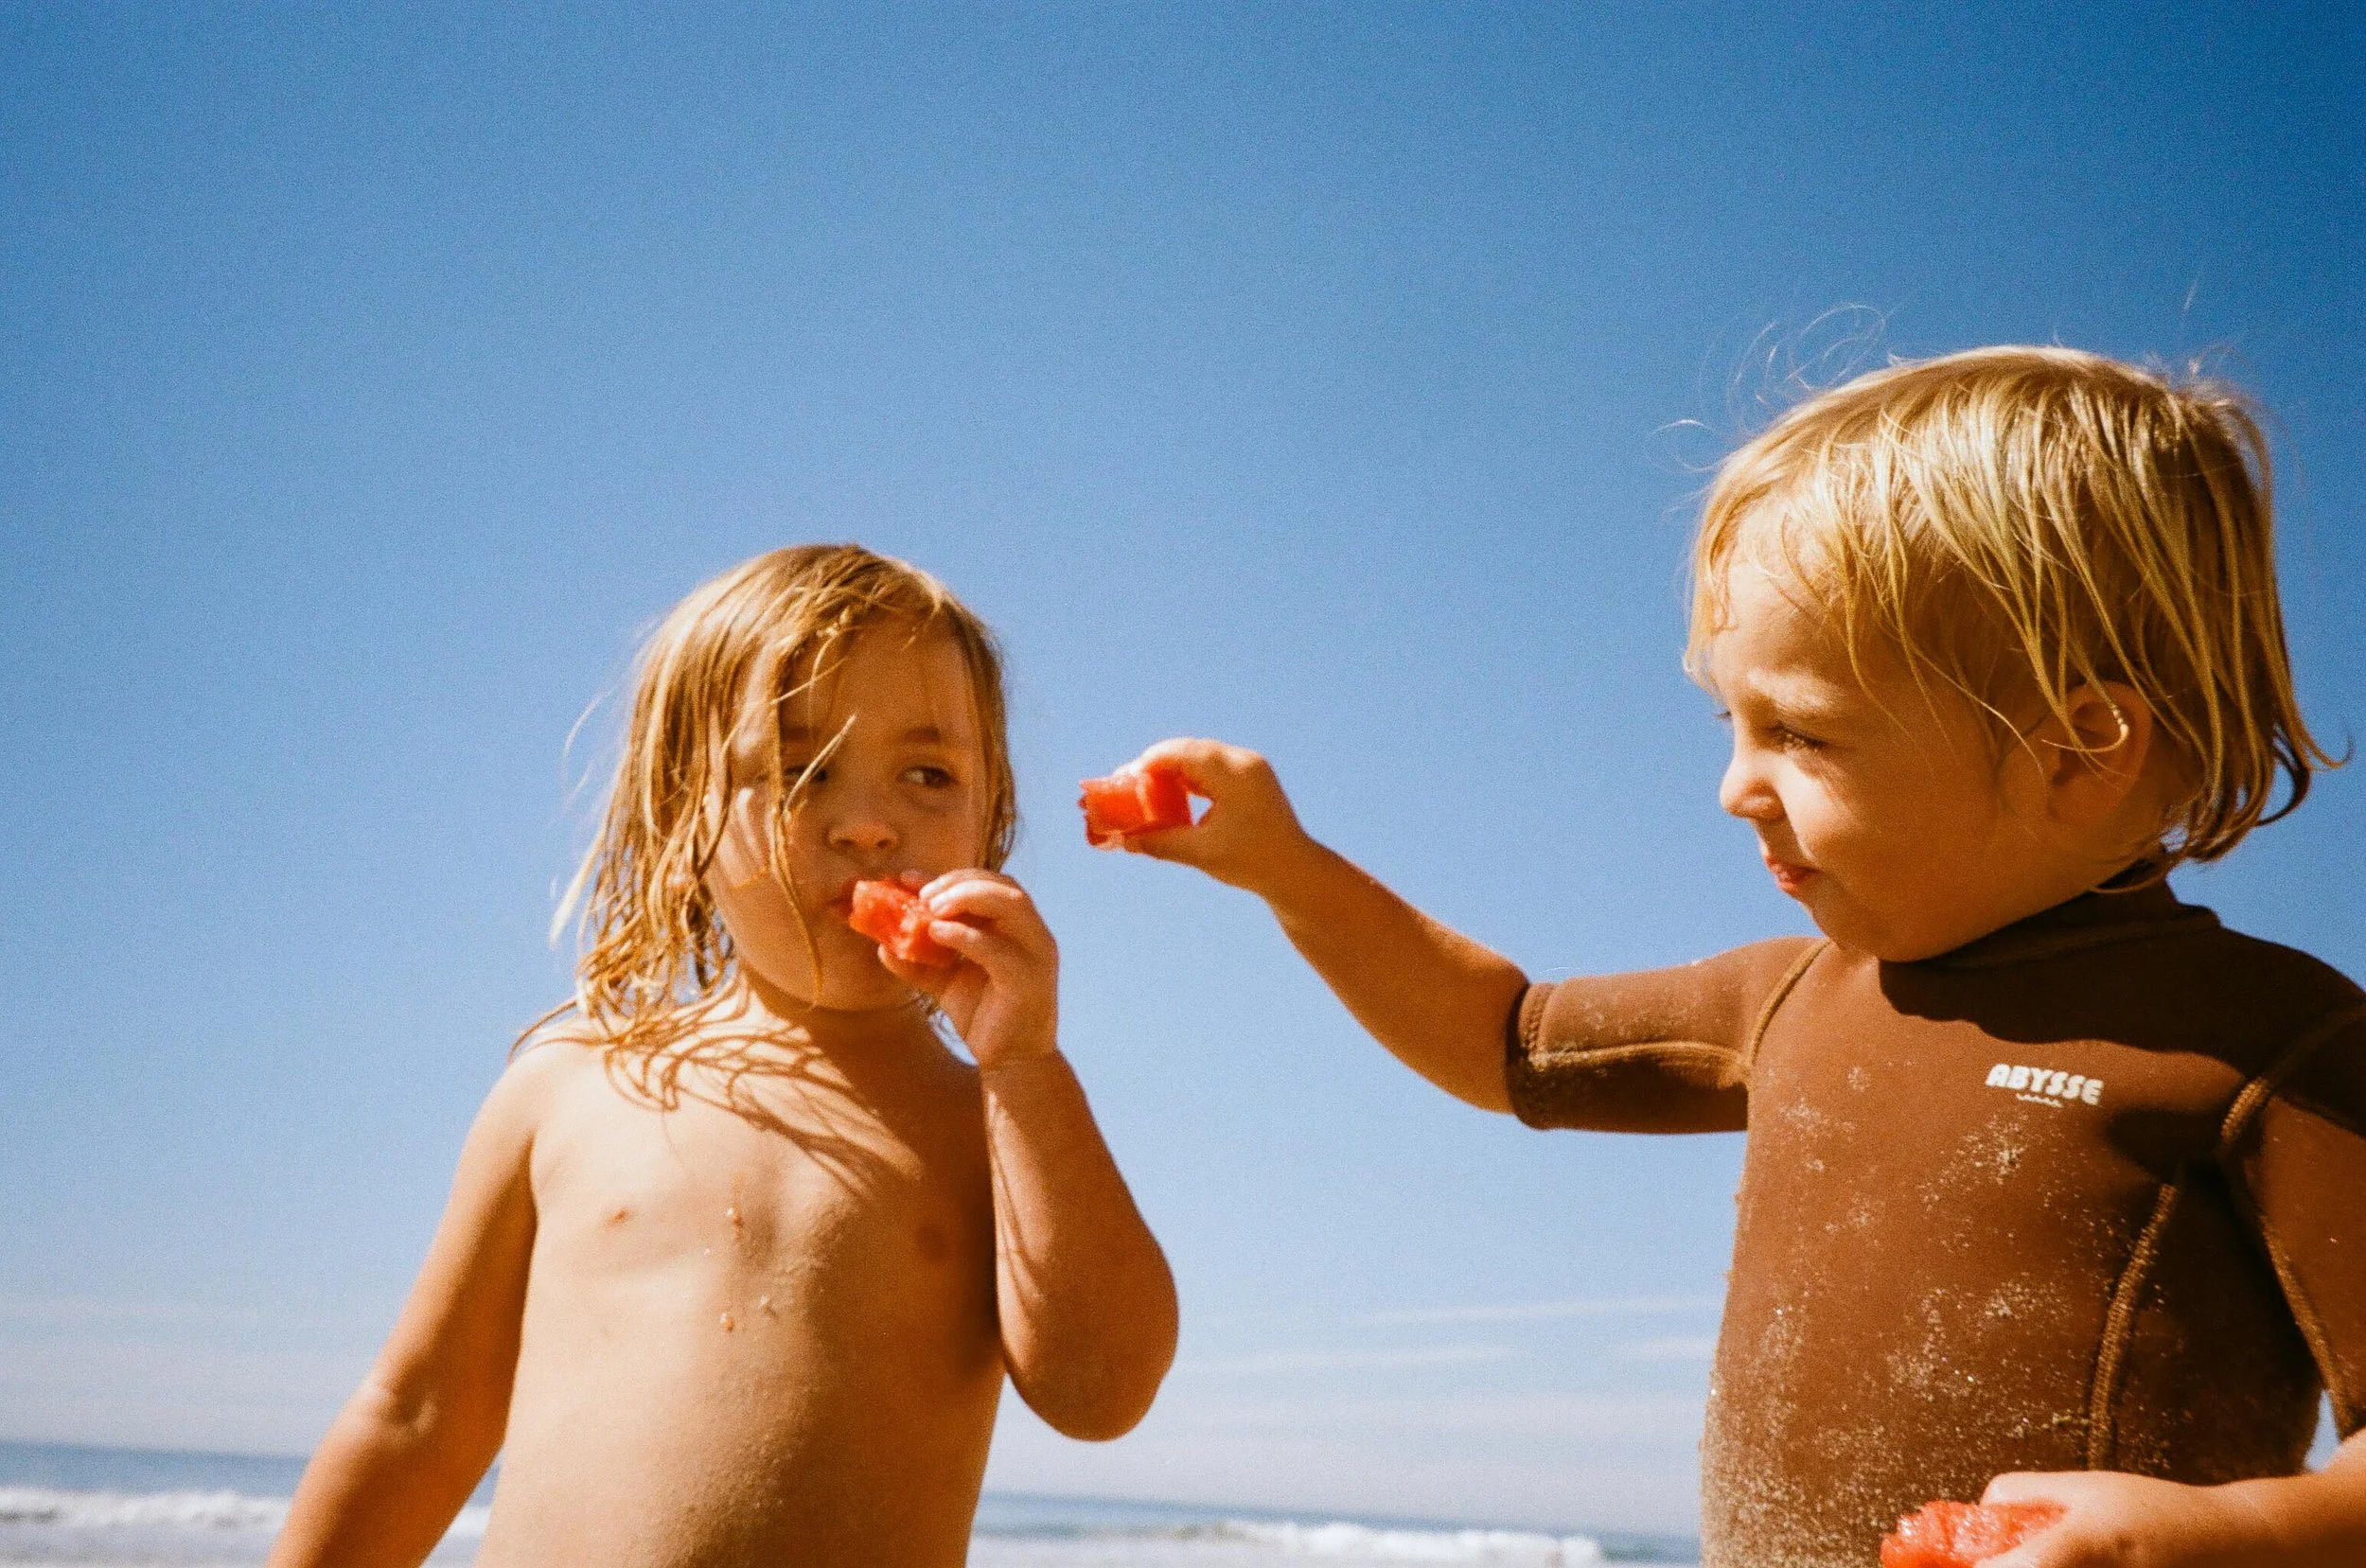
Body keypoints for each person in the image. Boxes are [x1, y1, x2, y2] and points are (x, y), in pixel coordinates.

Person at [1106, 348, 2366, 1567]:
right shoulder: (1789, 1000)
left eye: (1800, 734)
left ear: (2076, 750)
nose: (1734, 789)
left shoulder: (2274, 1050)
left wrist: (2223, 1539)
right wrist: (1288, 867)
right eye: (1734, 723)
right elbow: (1502, 1041)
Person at [269, 544, 1177, 1567]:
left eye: (928, 774)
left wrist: (1027, 1070)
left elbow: (1103, 1393)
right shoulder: (568, 1086)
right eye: (799, 770)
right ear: (680, 810)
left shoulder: (991, 1121)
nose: (871, 825)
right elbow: (417, 1417)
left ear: (990, 818)